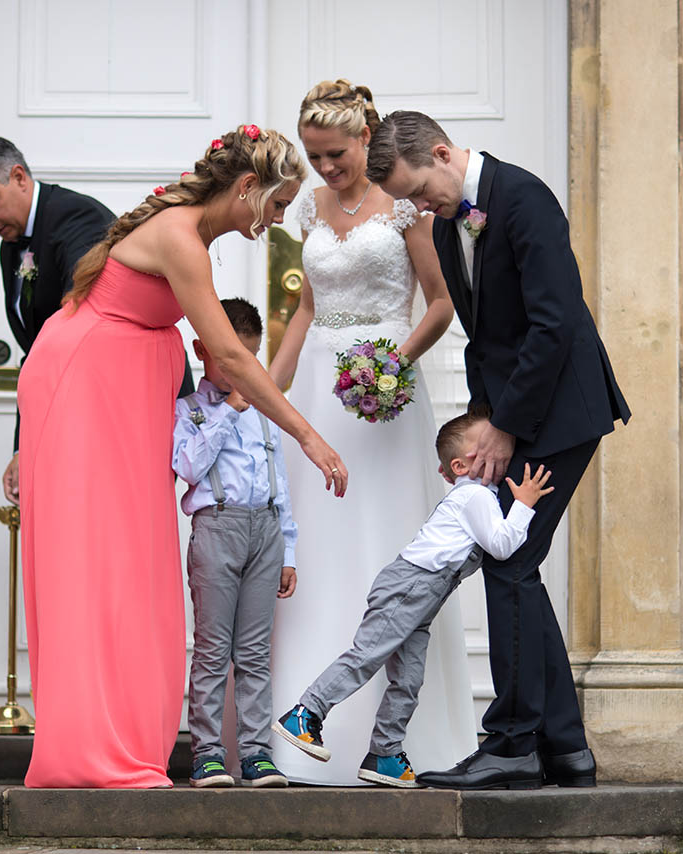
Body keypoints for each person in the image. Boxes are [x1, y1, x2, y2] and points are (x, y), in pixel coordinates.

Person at [16, 124, 348, 789]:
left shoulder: (187, 233)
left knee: (132, 559)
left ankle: (124, 736)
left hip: (116, 394)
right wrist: (306, 435)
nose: (280, 221)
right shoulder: (179, 236)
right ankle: (89, 746)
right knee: (97, 563)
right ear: (248, 188)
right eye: (279, 206)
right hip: (87, 389)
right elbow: (227, 356)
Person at [369, 111, 631, 790]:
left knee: (506, 560)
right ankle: (565, 749)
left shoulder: (525, 198)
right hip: (517, 412)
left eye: (421, 190)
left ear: (442, 152)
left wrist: (506, 425)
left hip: (564, 410)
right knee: (514, 560)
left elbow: (554, 323)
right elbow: (484, 337)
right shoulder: (453, 221)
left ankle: (513, 743)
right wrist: (485, 418)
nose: (420, 207)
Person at [267, 80, 474, 786]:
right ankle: (299, 723)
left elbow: (441, 303)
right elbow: (306, 309)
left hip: (384, 380)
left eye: (336, 155)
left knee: (387, 542)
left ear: (365, 139)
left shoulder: (407, 202)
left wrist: (394, 364)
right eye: (315, 157)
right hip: (323, 384)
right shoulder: (309, 205)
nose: (326, 170)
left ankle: (395, 735)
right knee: (315, 543)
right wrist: (271, 387)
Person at [273, 411, 553, 788]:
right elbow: (501, 545)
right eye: (482, 446)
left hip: (422, 597)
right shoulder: (474, 495)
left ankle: (384, 753)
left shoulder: (472, 494)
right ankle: (306, 713)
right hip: (410, 587)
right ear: (459, 466)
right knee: (367, 655)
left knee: (407, 680)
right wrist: (524, 504)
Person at [0, 135, 195, 504]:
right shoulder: (11, 246)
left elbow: (79, 323)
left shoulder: (76, 217)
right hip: (77, 403)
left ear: (18, 177)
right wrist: (23, 446)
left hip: (121, 405)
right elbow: (36, 352)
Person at [173, 297, 298, 789]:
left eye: (247, 359)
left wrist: (289, 551)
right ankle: (206, 753)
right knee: (211, 649)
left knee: (254, 652)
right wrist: (226, 411)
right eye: (228, 359)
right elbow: (187, 467)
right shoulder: (189, 409)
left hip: (264, 531)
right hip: (217, 528)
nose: (237, 370)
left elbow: (280, 483)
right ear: (203, 348)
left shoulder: (266, 412)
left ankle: (255, 753)